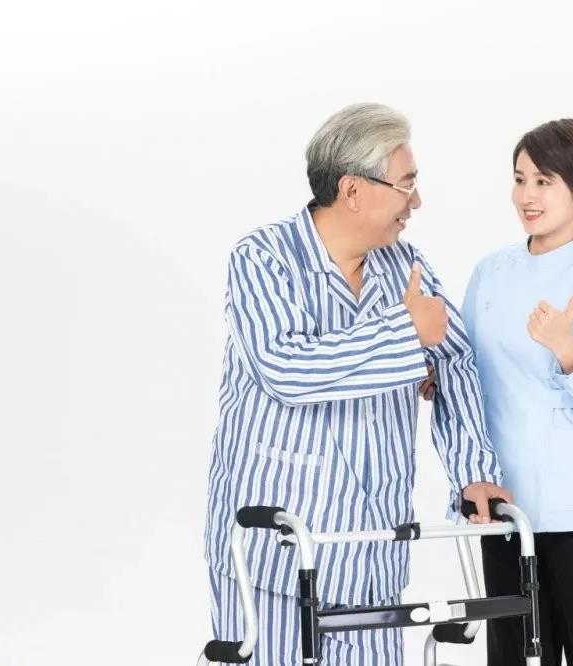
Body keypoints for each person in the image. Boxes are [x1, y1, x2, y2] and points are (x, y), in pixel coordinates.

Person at [204, 102, 511, 665]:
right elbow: (286, 368)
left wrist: (473, 470)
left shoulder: (404, 265)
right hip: (276, 557)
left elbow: (456, 361)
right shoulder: (263, 259)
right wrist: (404, 337)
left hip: (372, 557)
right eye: (406, 184)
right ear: (352, 190)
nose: (416, 202)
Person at [423, 118, 573, 665]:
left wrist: (569, 353)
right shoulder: (490, 272)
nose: (527, 195)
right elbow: (467, 372)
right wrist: (432, 376)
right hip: (506, 512)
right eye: (520, 179)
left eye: (544, 181)